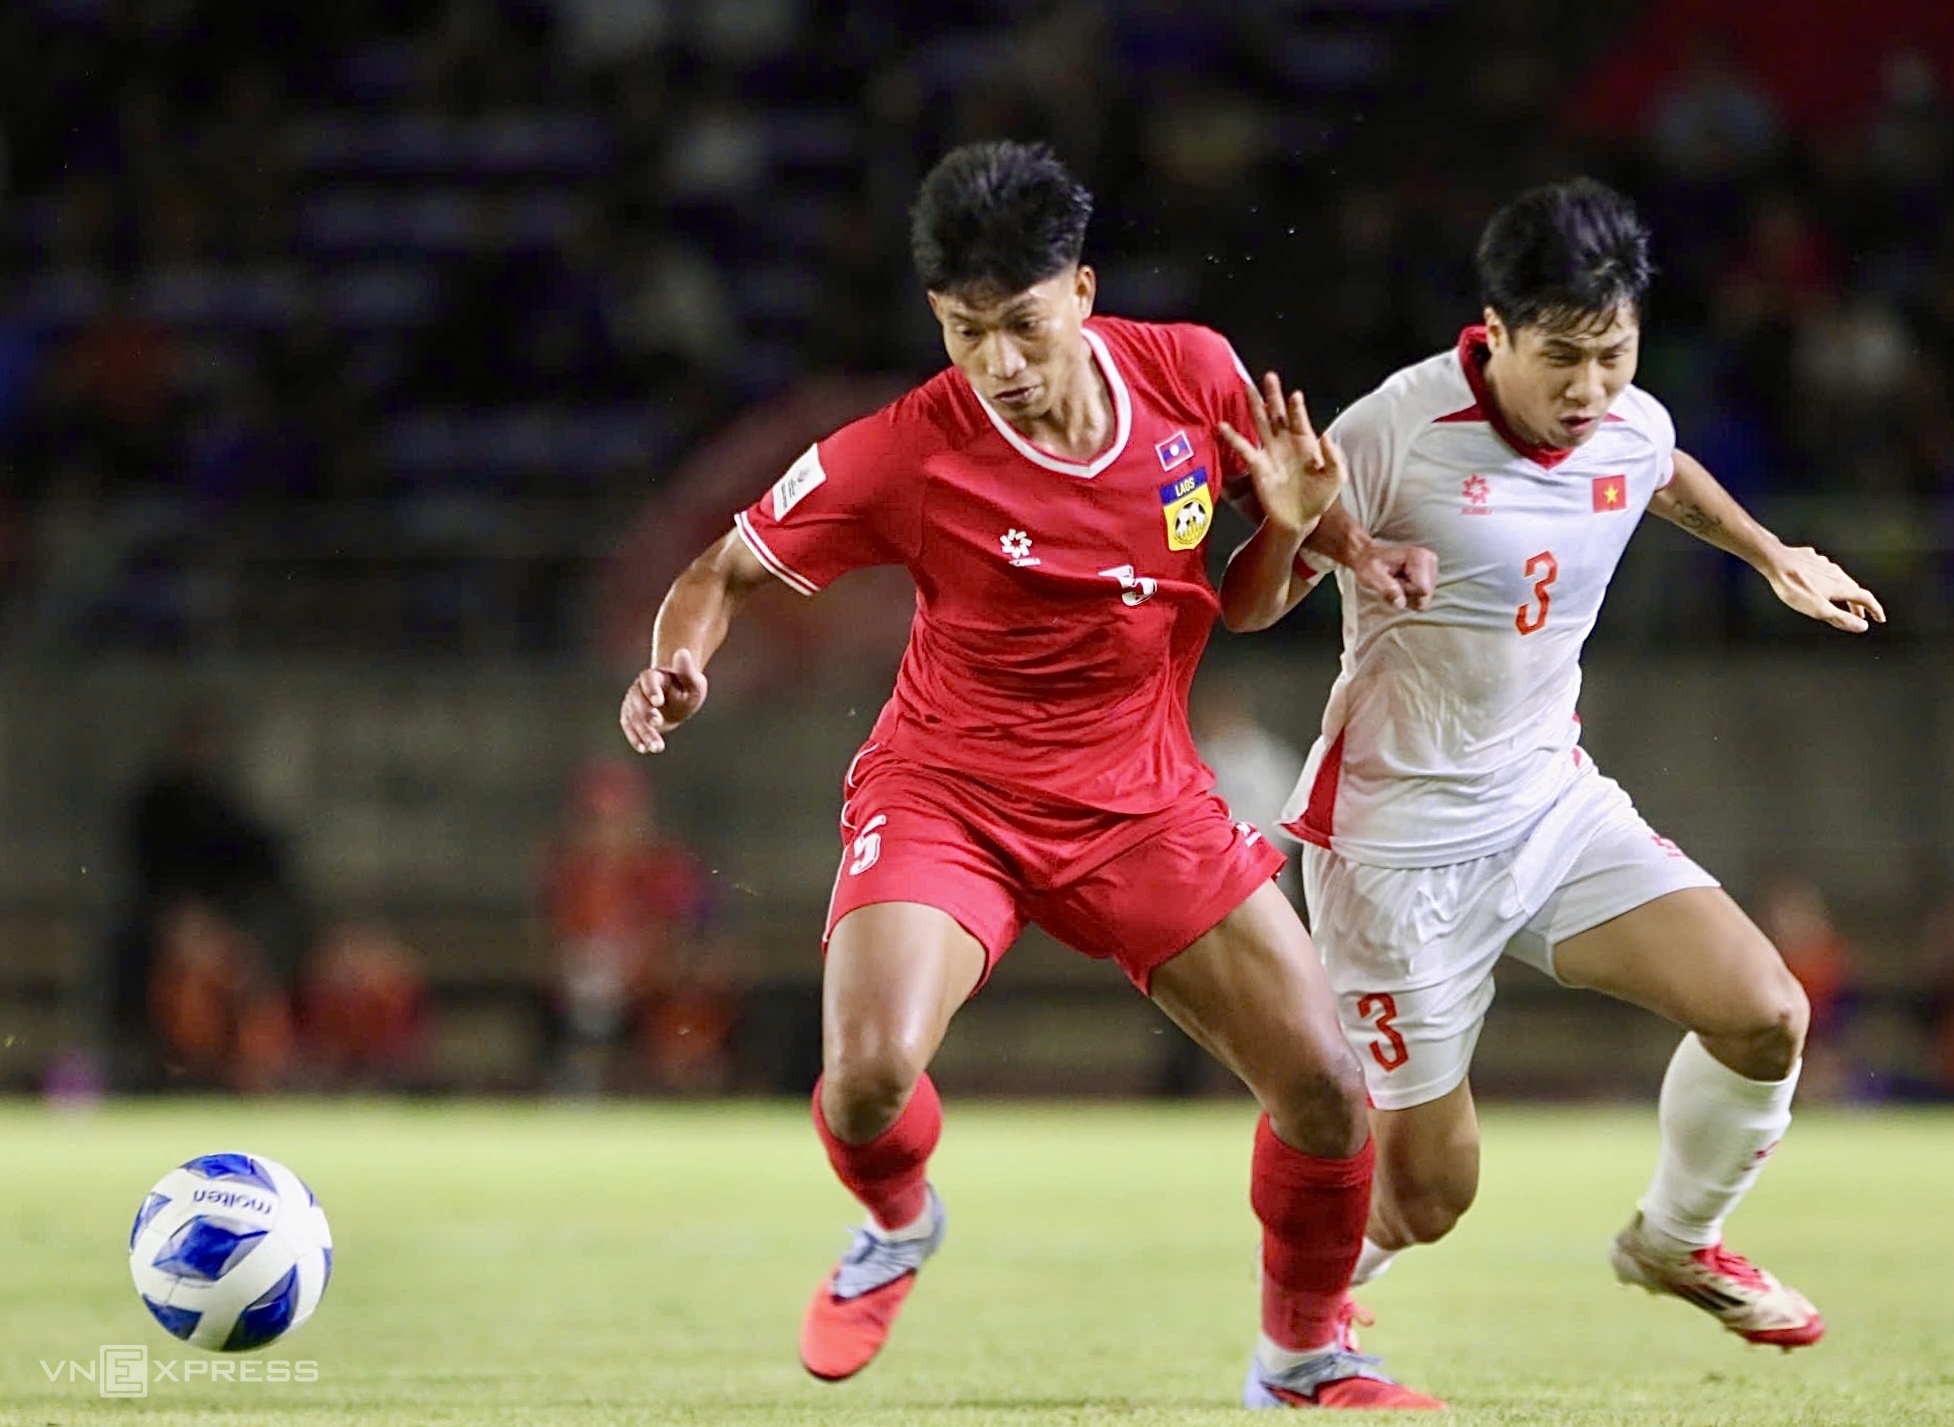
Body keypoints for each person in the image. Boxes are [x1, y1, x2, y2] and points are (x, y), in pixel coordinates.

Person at [619, 140, 1442, 1410]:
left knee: (1329, 1093)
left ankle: (1301, 1356)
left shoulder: (1192, 376)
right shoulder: (909, 450)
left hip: (1142, 800)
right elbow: (720, 569)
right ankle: (897, 1221)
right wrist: (676, 662)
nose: (997, 363)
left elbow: (1249, 600)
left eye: (1019, 324)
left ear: (1082, 290)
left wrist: (1327, 538)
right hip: (949, 795)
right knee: (867, 1080)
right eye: (964, 332)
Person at [1220, 177, 1884, 1351]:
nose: (1589, 390)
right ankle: (1311, 1289)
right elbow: (1249, 608)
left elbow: (1660, 468)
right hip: (1395, 850)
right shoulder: (1393, 431)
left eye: (1613, 355)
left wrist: (1770, 552)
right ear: (1495, 329)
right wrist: (1287, 523)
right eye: (1562, 358)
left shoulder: (1624, 418)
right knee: (1431, 1197)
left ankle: (1675, 1238)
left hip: (1548, 805)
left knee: (1765, 1012)